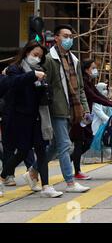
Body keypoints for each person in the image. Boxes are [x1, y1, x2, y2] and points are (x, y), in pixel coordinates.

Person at [0, 40, 63, 198]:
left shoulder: (41, 71)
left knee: (42, 150)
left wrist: (44, 87)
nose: (37, 58)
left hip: (38, 118)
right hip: (19, 118)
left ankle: (47, 186)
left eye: (40, 56)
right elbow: (13, 84)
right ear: (26, 52)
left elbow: (43, 96)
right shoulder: (15, 69)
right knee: (21, 152)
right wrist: (32, 76)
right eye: (35, 54)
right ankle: (2, 177)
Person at [38, 25, 91, 193]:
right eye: (65, 36)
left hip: (72, 109)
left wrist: (85, 109)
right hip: (56, 108)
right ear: (56, 38)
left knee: (55, 146)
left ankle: (33, 171)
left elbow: (80, 88)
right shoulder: (49, 59)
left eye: (71, 36)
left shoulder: (74, 60)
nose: (69, 39)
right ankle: (70, 182)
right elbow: (46, 84)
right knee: (65, 145)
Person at [69, 59, 112, 180]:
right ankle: (76, 171)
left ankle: (68, 162)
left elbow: (97, 94)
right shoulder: (82, 81)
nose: (95, 70)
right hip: (79, 114)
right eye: (93, 68)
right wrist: (111, 104)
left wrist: (111, 103)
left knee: (88, 141)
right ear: (86, 69)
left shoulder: (89, 81)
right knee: (78, 142)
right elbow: (93, 96)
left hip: (87, 115)